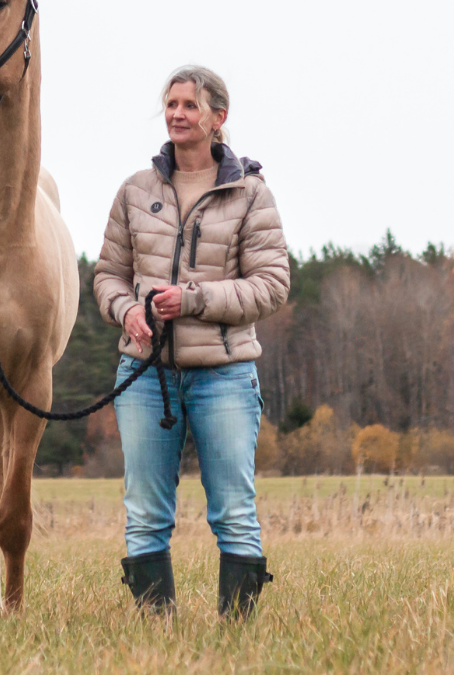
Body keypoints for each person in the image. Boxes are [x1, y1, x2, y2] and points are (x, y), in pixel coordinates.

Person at [92, 65, 289, 618]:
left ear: (217, 118)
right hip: (143, 378)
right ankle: (158, 632)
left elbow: (272, 286)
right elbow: (107, 273)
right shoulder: (135, 190)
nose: (176, 114)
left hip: (224, 376)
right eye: (171, 104)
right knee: (145, 512)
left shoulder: (251, 195)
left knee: (233, 510)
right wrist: (127, 308)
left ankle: (237, 636)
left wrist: (194, 300)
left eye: (188, 105)